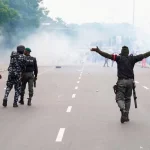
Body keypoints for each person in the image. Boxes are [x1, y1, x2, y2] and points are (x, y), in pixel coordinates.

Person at [91, 46, 150, 123]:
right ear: (128, 53)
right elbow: (145, 55)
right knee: (128, 99)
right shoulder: (133, 58)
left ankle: (123, 110)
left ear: (121, 53)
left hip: (121, 81)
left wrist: (98, 51)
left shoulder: (118, 58)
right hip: (130, 82)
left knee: (119, 98)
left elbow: (107, 55)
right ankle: (126, 116)